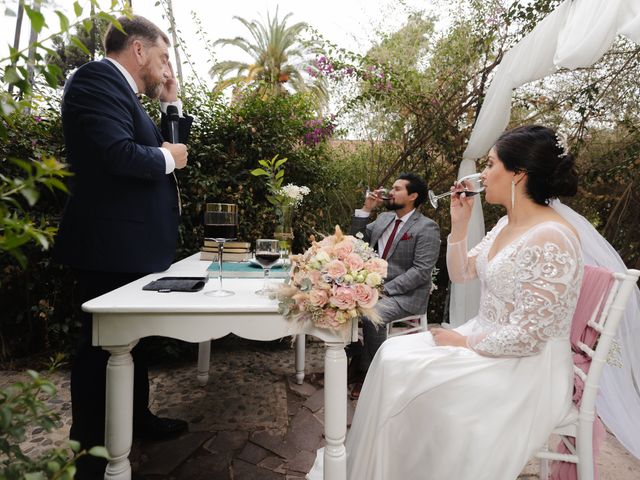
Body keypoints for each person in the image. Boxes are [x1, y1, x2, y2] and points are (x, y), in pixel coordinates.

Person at [308, 125, 583, 480]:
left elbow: (529, 336)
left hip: (526, 367)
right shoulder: (504, 225)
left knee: (413, 378)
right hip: (488, 340)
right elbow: (463, 273)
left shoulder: (552, 238)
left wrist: (463, 341)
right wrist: (460, 224)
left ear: (518, 174)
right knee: (392, 357)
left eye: (491, 164)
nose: (483, 174)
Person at [54, 15, 193, 480]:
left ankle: (136, 421)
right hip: (109, 244)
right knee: (99, 346)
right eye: (163, 56)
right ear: (138, 50)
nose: (166, 66)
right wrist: (164, 157)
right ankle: (91, 452)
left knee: (131, 340)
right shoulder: (95, 80)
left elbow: (172, 157)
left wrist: (171, 106)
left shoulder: (125, 95)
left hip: (133, 244)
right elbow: (117, 155)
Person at [348, 173, 440, 398]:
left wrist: (383, 291)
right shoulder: (384, 219)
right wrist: (367, 209)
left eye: (397, 189)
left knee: (372, 315)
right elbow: (356, 241)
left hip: (407, 294)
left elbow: (420, 272)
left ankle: (370, 372)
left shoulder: (427, 228)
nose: (391, 192)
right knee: (335, 303)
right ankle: (358, 353)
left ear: (413, 196)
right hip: (373, 286)